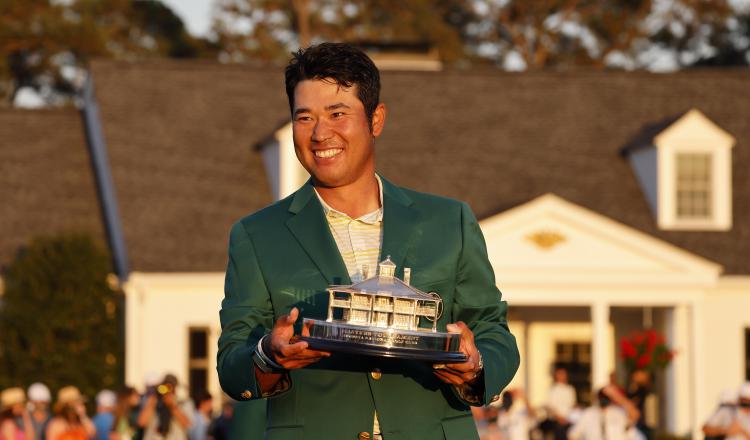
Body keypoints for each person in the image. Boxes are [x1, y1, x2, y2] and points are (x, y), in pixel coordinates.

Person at [216, 42, 520, 439]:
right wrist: (268, 356)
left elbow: (494, 332)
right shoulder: (256, 235)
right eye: (304, 117)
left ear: (376, 119)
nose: (320, 133)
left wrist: (475, 366)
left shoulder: (449, 221)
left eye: (337, 114)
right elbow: (232, 359)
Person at [568, 385, 643, 440]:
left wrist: (616, 396)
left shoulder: (618, 412)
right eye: (601, 397)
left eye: (605, 397)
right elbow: (573, 436)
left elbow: (635, 414)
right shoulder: (588, 413)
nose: (603, 400)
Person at [136, 374, 192, 440]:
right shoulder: (152, 402)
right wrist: (152, 403)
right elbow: (141, 423)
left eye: (170, 387)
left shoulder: (184, 403)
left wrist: (172, 406)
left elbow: (187, 424)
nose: (167, 391)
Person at [540, 366, 576, 440]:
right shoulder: (552, 390)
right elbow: (549, 407)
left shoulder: (570, 389)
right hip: (556, 421)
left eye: (564, 374)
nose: (562, 376)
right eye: (560, 374)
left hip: (569, 420)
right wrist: (559, 418)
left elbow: (573, 405)